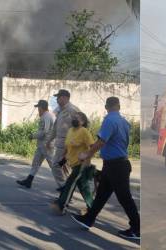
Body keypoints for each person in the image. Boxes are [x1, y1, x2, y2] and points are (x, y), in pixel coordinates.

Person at [70, 97, 140, 240]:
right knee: (101, 194)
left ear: (106, 106)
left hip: (116, 166)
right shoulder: (124, 122)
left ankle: (137, 229)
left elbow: (101, 141)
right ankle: (89, 219)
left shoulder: (109, 120)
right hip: (115, 164)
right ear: (119, 106)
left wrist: (87, 154)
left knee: (125, 198)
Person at [50, 112, 95, 214]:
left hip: (82, 164)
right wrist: (63, 159)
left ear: (83, 122)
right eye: (74, 117)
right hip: (73, 163)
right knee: (84, 188)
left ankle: (61, 206)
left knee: (70, 183)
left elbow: (92, 147)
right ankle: (93, 208)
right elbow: (68, 146)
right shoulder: (70, 130)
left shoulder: (84, 131)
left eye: (78, 118)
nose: (74, 119)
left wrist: (86, 157)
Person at [46, 89, 81, 190]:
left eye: (59, 97)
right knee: (65, 169)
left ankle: (64, 188)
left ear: (65, 98)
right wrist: (49, 140)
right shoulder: (61, 110)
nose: (57, 100)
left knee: (56, 165)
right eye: (57, 98)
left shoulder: (73, 110)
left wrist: (77, 140)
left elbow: (85, 124)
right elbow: (55, 128)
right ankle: (66, 191)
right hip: (60, 144)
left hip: (69, 145)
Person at [16, 100, 55, 188]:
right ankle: (28, 181)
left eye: (38, 108)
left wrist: (32, 136)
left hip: (47, 144)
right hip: (42, 144)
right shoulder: (45, 116)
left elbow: (44, 131)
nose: (38, 110)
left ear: (41, 107)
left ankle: (64, 185)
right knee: (36, 163)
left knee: (53, 165)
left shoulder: (46, 116)